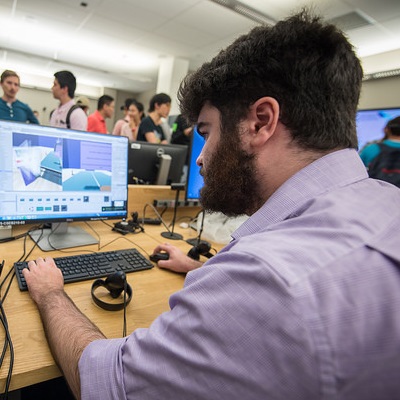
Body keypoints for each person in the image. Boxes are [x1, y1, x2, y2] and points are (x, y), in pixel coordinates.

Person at [22, 10, 400, 400]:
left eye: (206, 132)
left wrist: (51, 292)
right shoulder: (389, 203)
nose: (200, 158)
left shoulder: (266, 279)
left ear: (260, 122)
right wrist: (197, 267)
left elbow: (106, 383)